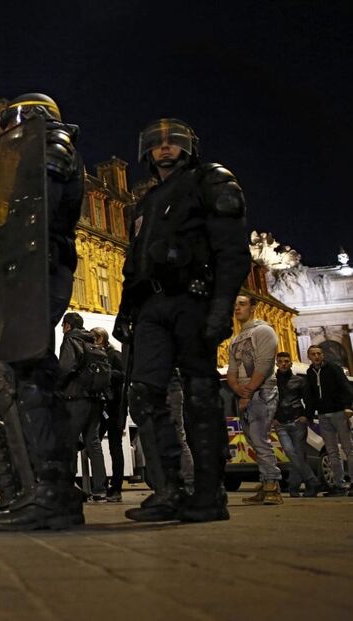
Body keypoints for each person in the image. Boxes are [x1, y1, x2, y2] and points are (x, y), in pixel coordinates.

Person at [114, 118, 250, 523]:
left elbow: (232, 250)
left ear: (188, 147)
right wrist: (125, 310)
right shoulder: (148, 201)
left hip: (192, 297)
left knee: (200, 394)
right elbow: (133, 262)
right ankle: (167, 489)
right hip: (150, 305)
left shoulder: (209, 180)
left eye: (173, 142)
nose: (165, 148)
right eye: (157, 144)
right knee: (144, 393)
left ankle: (208, 495)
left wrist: (221, 305)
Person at [0, 93, 86, 531]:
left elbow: (40, 215)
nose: (8, 137)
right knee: (24, 374)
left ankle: (51, 490)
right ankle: (42, 486)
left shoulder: (52, 148)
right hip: (30, 271)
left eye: (16, 125)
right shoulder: (29, 162)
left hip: (41, 268)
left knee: (29, 374)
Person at [227, 295, 281, 505]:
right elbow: (232, 371)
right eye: (235, 305)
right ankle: (266, 481)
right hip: (247, 393)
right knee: (253, 441)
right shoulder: (236, 339)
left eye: (242, 304)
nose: (237, 308)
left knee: (260, 439)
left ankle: (272, 486)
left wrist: (247, 391)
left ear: (253, 307)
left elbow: (265, 365)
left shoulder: (264, 330)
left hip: (262, 391)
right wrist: (238, 389)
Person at [59, 313, 108, 502]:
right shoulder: (91, 341)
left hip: (76, 398)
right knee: (93, 443)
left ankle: (69, 487)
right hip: (95, 398)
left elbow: (66, 367)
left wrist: (58, 386)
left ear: (68, 326)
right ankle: (100, 489)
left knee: (70, 442)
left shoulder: (71, 340)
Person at [305, 345, 353, 496]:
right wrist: (310, 415)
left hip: (339, 412)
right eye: (313, 354)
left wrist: (348, 406)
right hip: (323, 415)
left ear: (323, 355)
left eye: (319, 353)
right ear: (309, 357)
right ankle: (338, 485)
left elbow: (345, 387)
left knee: (348, 449)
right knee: (332, 451)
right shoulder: (310, 372)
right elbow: (311, 396)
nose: (317, 356)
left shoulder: (333, 368)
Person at [274, 352, 319, 497]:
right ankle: (312, 481)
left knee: (298, 455)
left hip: (297, 420)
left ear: (290, 363)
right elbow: (269, 401)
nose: (283, 364)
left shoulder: (299, 381)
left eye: (286, 361)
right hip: (280, 423)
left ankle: (293, 488)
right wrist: (272, 417)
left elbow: (309, 400)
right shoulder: (271, 382)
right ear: (276, 363)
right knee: (291, 453)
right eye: (280, 361)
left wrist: (306, 415)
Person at [92, 327, 125, 502]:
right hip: (102, 406)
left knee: (115, 446)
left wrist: (106, 372)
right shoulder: (96, 355)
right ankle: (102, 484)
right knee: (94, 443)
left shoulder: (114, 355)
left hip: (115, 407)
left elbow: (122, 376)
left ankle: (116, 487)